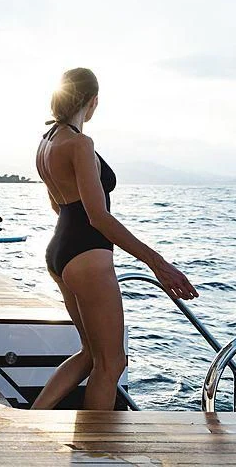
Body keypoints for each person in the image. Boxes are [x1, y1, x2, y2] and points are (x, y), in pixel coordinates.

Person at [32, 68, 199, 410]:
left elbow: (57, 203)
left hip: (59, 249)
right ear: (92, 103)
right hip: (86, 253)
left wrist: (73, 243)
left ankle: (28, 421)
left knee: (90, 355)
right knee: (112, 364)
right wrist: (158, 263)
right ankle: (98, 455)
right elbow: (99, 217)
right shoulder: (80, 143)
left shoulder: (47, 141)